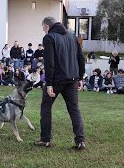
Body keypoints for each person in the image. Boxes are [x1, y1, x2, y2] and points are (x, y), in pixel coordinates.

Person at [33, 17, 86, 150]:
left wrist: (49, 83)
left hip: (56, 80)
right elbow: (80, 58)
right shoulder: (72, 36)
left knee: (46, 107)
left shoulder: (49, 38)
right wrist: (80, 77)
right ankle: (80, 141)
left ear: (46, 26)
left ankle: (45, 139)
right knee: (74, 109)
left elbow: (49, 62)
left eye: (43, 28)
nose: (44, 31)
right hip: (72, 79)